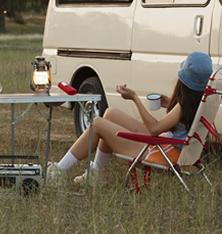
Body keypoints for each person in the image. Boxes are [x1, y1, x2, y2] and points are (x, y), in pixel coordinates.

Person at [46, 52, 213, 187]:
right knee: (110, 113)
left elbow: (155, 129)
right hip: (171, 149)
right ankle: (96, 174)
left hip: (162, 154)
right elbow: (185, 119)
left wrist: (134, 98)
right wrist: (170, 104)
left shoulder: (183, 105)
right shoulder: (202, 101)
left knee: (97, 124)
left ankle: (58, 171)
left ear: (183, 79)